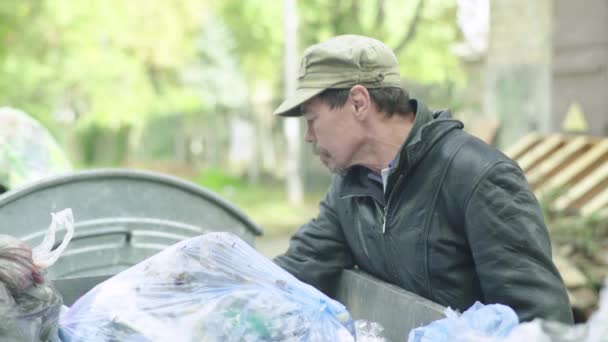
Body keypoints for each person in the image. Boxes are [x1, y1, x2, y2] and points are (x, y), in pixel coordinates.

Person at [273, 34, 573, 324]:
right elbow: (295, 270)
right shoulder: (350, 188)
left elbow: (541, 323)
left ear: (358, 103)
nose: (309, 137)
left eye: (312, 120)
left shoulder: (478, 178)